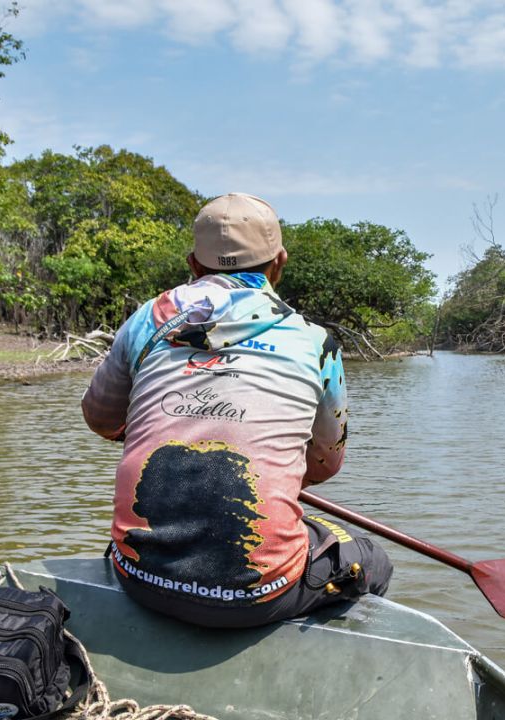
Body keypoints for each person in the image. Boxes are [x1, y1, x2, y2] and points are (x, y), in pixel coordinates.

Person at [81, 192, 392, 627]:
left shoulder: (147, 320)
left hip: (139, 578)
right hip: (262, 598)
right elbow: (324, 464)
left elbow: (100, 419)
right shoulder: (316, 342)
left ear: (193, 264)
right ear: (279, 263)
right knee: (373, 559)